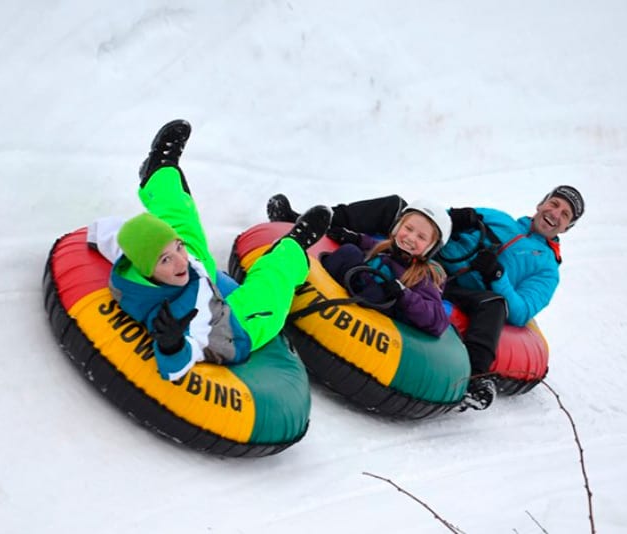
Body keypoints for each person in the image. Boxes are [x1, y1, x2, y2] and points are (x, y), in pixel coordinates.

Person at [266, 185, 585, 410]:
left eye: (565, 213)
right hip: (428, 257)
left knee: (495, 305)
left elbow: (521, 311)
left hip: (465, 289)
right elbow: (431, 223)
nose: (555, 213)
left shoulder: (546, 269)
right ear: (541, 203)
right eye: (554, 204)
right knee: (396, 206)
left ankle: (471, 377)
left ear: (568, 227)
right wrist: (453, 219)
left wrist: (497, 278)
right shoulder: (497, 217)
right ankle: (308, 224)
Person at [102, 120, 332, 381]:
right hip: (228, 326)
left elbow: (114, 237)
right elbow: (174, 368)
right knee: (271, 290)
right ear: (149, 270)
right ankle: (293, 247)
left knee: (181, 224)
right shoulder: (173, 317)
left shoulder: (154, 264)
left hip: (198, 276)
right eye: (167, 259)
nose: (180, 260)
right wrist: (171, 345)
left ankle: (159, 173)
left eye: (177, 251)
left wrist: (172, 252)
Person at [319, 200, 452, 337]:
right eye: (408, 228)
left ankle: (333, 328)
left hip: (371, 315)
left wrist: (404, 294)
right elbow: (372, 244)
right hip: (357, 285)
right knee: (349, 251)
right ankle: (310, 287)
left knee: (376, 292)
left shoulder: (423, 276)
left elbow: (438, 320)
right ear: (397, 227)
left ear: (431, 247)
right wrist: (355, 238)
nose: (411, 237)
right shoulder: (387, 248)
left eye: (421, 237)